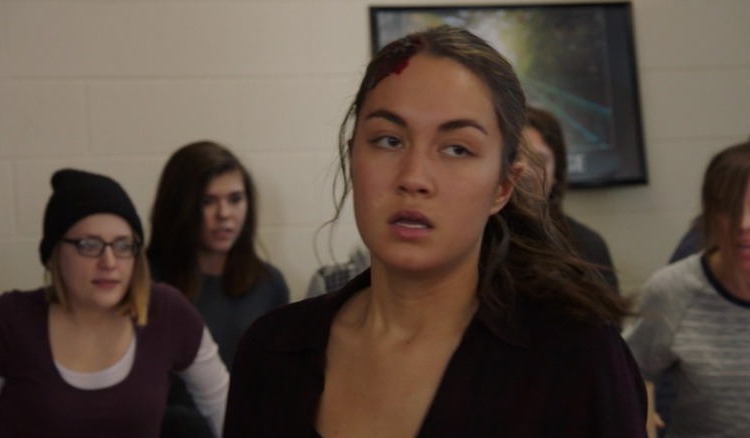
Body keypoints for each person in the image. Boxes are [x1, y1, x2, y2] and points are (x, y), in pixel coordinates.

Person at [224, 26, 647, 437]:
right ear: (353, 157)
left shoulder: (575, 358)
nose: (414, 178)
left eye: (457, 149)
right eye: (389, 140)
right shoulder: (273, 352)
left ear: (503, 187)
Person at [0, 169, 229, 438]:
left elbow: (228, 411)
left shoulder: (168, 313)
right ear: (54, 255)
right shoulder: (7, 321)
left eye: (123, 245)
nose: (109, 262)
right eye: (89, 244)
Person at [147, 141, 290, 435]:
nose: (224, 214)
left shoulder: (269, 284)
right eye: (207, 201)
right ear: (179, 206)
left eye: (235, 199)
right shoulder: (145, 282)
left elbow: (278, 385)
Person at [624, 137, 750, 437]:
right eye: (730, 209)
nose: (744, 223)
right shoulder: (674, 291)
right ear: (710, 215)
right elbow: (627, 375)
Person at [523, 105, 619, 292]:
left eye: (538, 160)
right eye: (513, 157)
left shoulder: (587, 246)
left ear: (556, 174)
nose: (524, 170)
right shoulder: (472, 239)